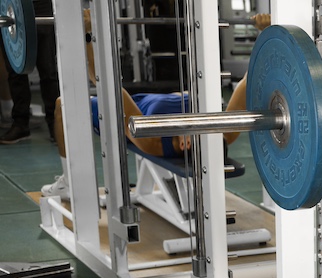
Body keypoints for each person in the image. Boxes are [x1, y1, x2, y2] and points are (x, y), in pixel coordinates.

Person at [41, 12, 268, 199]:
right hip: (168, 98)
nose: (192, 134)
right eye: (200, 133)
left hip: (135, 107)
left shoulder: (150, 139)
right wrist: (266, 31)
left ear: (185, 147)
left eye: (190, 142)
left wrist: (88, 33)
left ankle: (70, 183)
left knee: (63, 105)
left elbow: (107, 85)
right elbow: (251, 79)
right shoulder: (224, 133)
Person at [0, 0, 59, 144]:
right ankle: (20, 124)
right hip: (10, 5)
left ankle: (55, 124)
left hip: (40, 5)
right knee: (15, 69)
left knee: (48, 70)